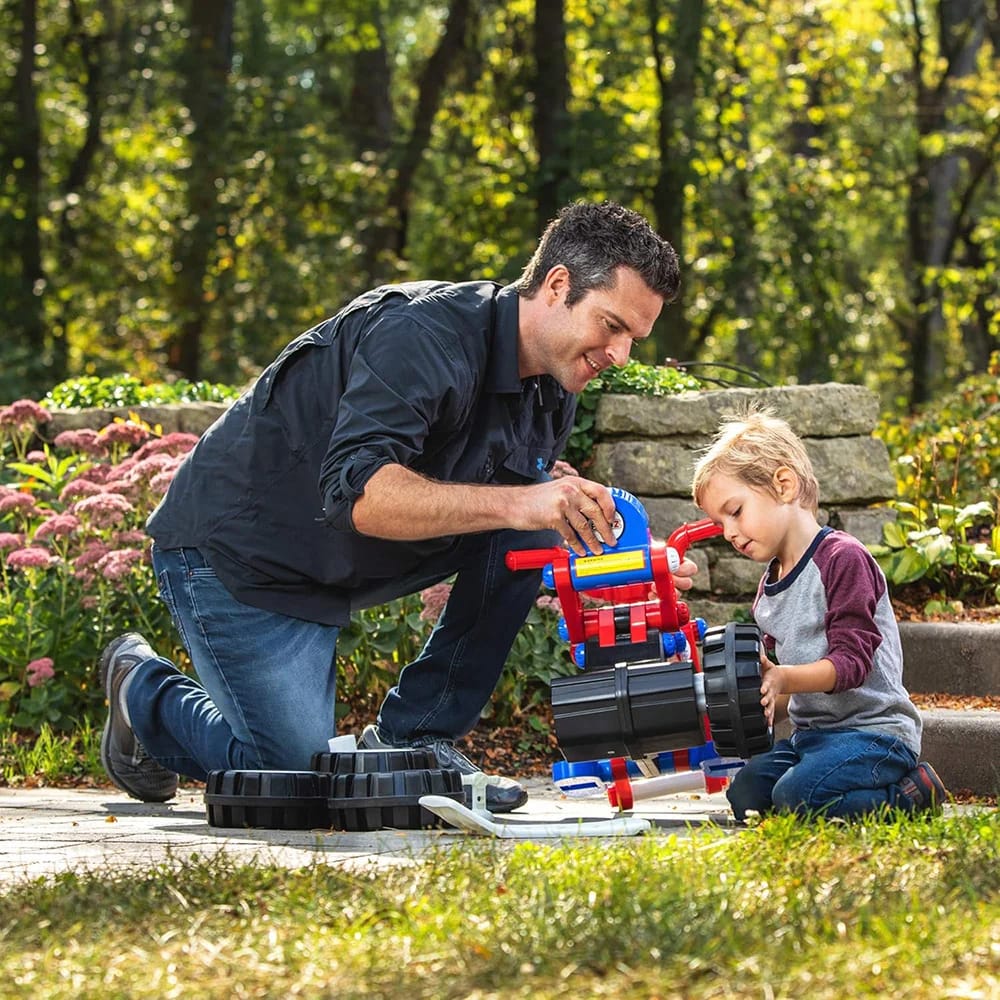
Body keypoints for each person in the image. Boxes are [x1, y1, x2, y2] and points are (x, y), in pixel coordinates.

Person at [99, 200, 695, 813]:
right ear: (557, 284)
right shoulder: (422, 334)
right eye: (612, 325)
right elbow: (360, 495)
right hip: (241, 554)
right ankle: (141, 689)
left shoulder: (554, 380)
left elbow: (526, 520)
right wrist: (528, 503)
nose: (620, 355)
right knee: (297, 783)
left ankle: (415, 735)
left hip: (332, 560)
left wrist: (639, 566)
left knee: (531, 533)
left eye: (633, 339)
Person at [690, 407, 948, 820]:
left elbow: (852, 665)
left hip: (873, 734)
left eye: (734, 511)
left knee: (797, 794)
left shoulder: (843, 559)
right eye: (720, 523)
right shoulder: (768, 590)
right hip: (814, 738)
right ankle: (820, 797)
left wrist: (784, 677)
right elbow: (784, 675)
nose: (729, 532)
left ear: (784, 485)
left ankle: (911, 794)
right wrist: (764, 692)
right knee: (746, 792)